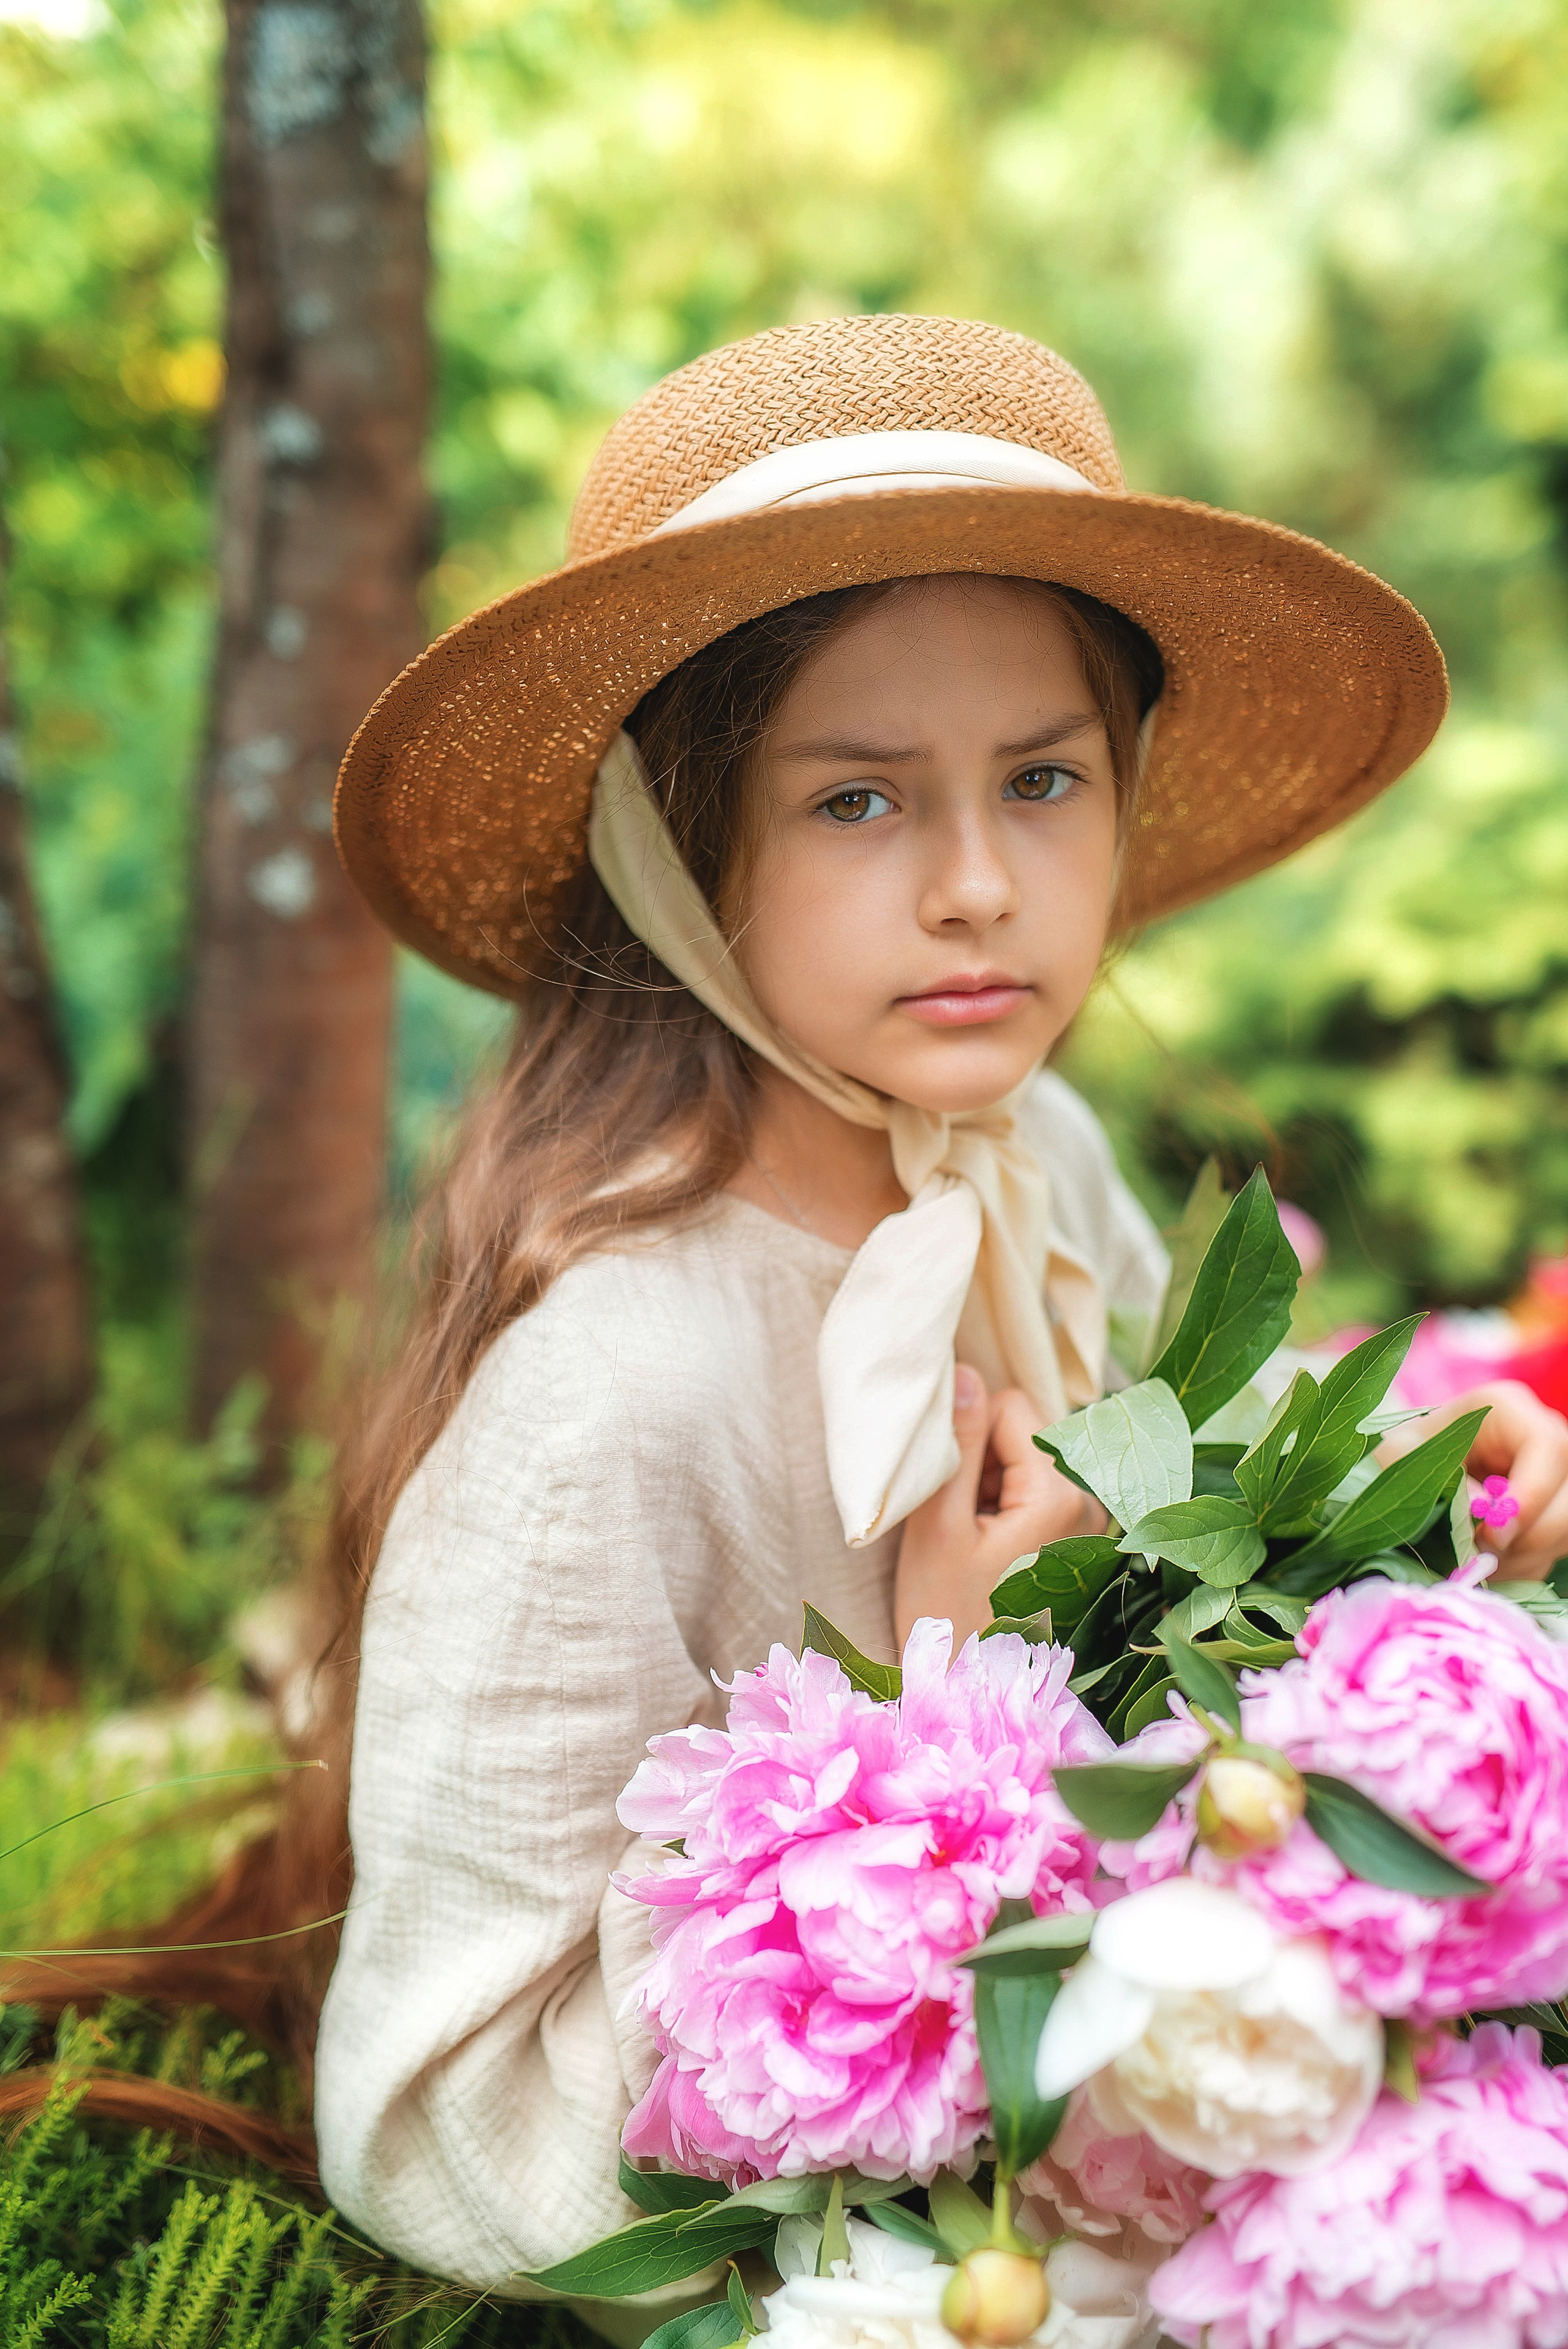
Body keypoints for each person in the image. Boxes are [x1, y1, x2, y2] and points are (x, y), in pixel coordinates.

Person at [21, 315, 1564, 2292]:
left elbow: (1182, 1575)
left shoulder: (1043, 1165)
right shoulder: (610, 1381)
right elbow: (431, 2116)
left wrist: (1427, 1516)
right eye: (857, 799)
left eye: (1043, 778)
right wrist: (945, 1715)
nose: (980, 884)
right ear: (679, 842)